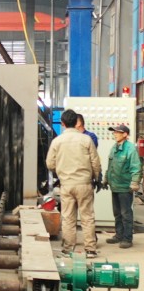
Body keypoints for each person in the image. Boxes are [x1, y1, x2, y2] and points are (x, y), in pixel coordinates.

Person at [45, 109, 102, 257]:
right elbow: (95, 162)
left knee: (68, 217)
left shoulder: (57, 141)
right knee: (87, 217)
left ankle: (68, 249)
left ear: (62, 123)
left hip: (66, 184)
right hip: (84, 183)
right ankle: (90, 249)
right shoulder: (86, 140)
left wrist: (61, 172)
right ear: (76, 123)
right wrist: (95, 177)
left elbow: (50, 163)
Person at [103, 124, 142, 249]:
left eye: (117, 132)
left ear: (125, 134)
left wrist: (135, 182)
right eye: (114, 132)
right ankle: (119, 235)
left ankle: (127, 238)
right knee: (117, 213)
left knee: (126, 213)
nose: (115, 134)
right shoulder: (114, 147)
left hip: (125, 187)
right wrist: (106, 178)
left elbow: (136, 167)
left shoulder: (130, 149)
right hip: (115, 185)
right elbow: (110, 166)